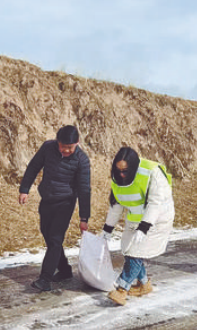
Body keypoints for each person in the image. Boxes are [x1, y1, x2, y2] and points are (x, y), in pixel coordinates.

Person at [19, 125, 91, 292]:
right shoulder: (48, 147)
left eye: (69, 148)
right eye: (62, 146)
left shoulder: (82, 160)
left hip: (65, 203)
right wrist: (24, 189)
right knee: (47, 233)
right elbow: (33, 167)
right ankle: (65, 270)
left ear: (77, 143)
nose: (65, 150)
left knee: (55, 239)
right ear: (57, 142)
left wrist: (84, 218)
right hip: (47, 198)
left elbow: (84, 189)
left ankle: (45, 279)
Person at [102, 147, 174, 306]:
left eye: (125, 171)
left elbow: (155, 203)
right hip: (135, 218)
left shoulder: (152, 173)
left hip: (158, 218)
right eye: (118, 170)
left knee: (136, 254)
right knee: (129, 250)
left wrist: (144, 227)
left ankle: (121, 290)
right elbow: (116, 205)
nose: (121, 174)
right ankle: (144, 284)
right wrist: (107, 229)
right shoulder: (118, 178)